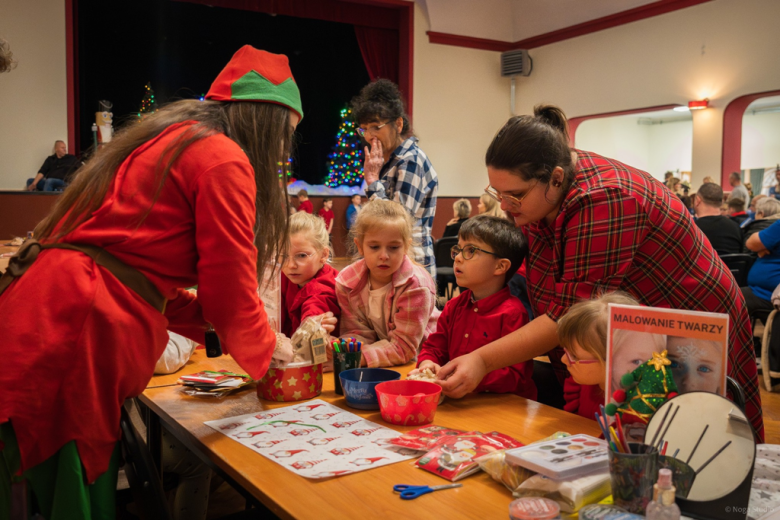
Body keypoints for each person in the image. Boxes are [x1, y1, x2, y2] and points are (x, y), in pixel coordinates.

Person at [0, 46, 303, 517]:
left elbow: (139, 275)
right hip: (75, 330)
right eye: (286, 134)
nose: (284, 149)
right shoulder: (224, 159)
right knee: (67, 485)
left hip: (50, 309)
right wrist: (269, 350)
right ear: (266, 122)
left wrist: (214, 323)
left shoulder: (177, 136)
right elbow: (229, 297)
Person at [436, 104, 763, 441]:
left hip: (689, 313)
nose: (504, 205)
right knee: (628, 432)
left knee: (695, 436)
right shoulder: (547, 188)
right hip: (636, 326)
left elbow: (568, 313)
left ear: (557, 178)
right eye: (497, 193)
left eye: (515, 194)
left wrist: (481, 360)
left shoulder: (604, 199)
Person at [411, 215, 535, 399]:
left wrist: (470, 376)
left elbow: (516, 376)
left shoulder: (513, 314)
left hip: (503, 407)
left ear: (500, 266)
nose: (458, 258)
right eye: (458, 250)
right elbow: (435, 347)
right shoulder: (454, 306)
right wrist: (428, 363)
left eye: (470, 251)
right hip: (462, 401)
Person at [335, 199, 439, 367]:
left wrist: (357, 358)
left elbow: (405, 347)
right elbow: (357, 333)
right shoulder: (347, 282)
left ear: (405, 247)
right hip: (382, 358)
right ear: (360, 246)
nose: (384, 255)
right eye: (374, 247)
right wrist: (345, 350)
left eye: (393, 247)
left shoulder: (416, 285)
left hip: (423, 360)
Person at [353, 79, 439, 277]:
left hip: (412, 268)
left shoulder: (411, 160)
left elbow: (398, 223)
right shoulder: (391, 161)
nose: (369, 136)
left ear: (398, 124)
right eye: (364, 129)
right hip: (393, 264)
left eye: (376, 126)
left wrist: (373, 181)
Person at [558, 291, 640, 420]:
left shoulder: (637, 406)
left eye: (574, 356)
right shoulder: (581, 382)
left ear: (614, 360)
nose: (563, 360)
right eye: (566, 351)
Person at [281, 212, 340, 338]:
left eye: (302, 255)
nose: (291, 265)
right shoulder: (285, 275)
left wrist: (314, 323)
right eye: (284, 256)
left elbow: (316, 308)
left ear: (324, 255)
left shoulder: (325, 286)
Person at [692, 183, 743, 256]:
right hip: (731, 267)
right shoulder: (736, 228)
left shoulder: (692, 229)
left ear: (697, 200)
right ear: (722, 202)